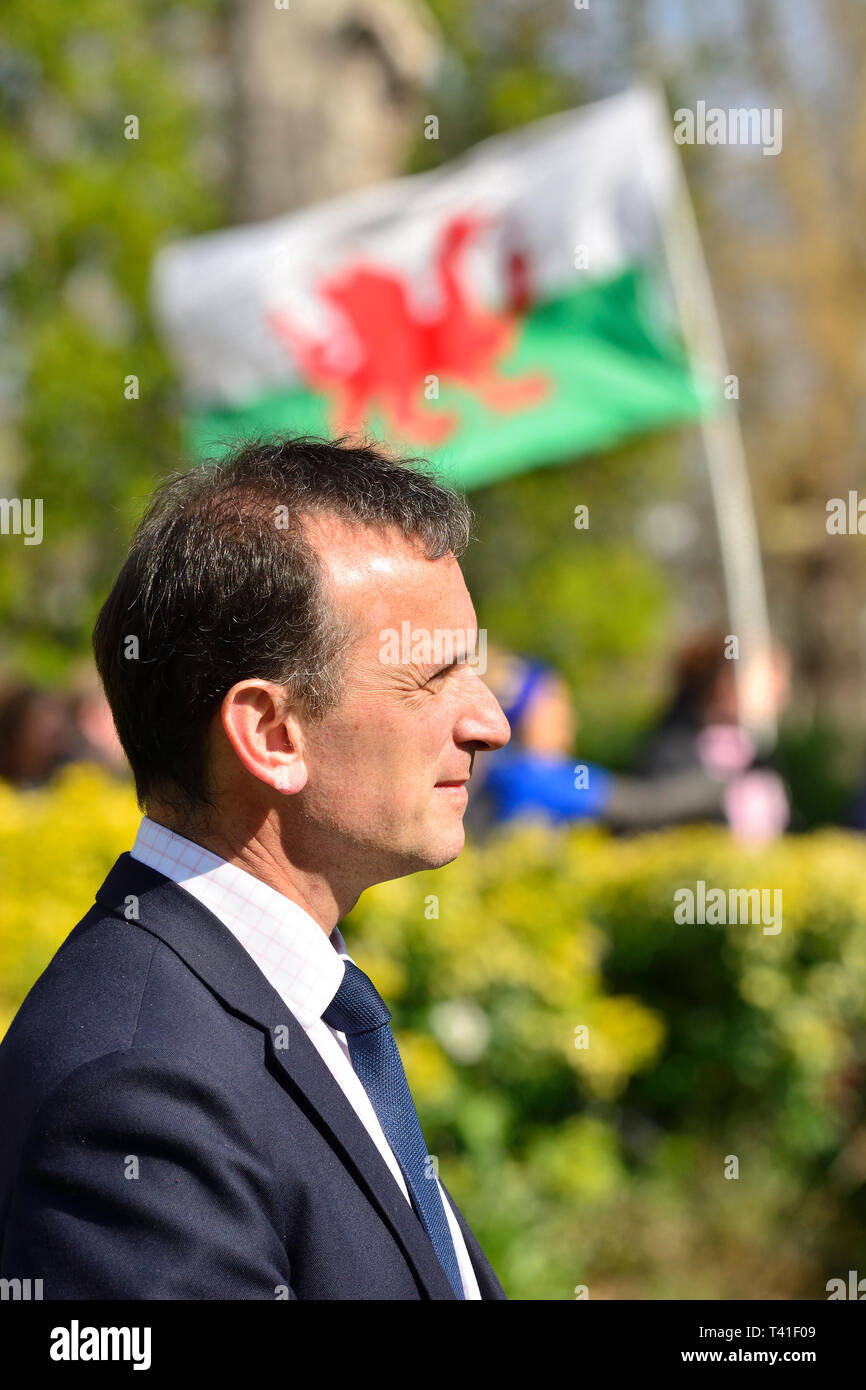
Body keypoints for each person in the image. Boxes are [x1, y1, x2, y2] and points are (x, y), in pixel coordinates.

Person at [0, 434, 511, 1300]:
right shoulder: (138, 1093)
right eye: (436, 677)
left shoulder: (288, 1001)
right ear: (272, 735)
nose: (490, 722)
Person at [469, 647, 790, 843]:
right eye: (556, 706)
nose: (570, 720)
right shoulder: (538, 778)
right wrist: (732, 778)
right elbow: (646, 805)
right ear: (523, 716)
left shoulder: (499, 774)